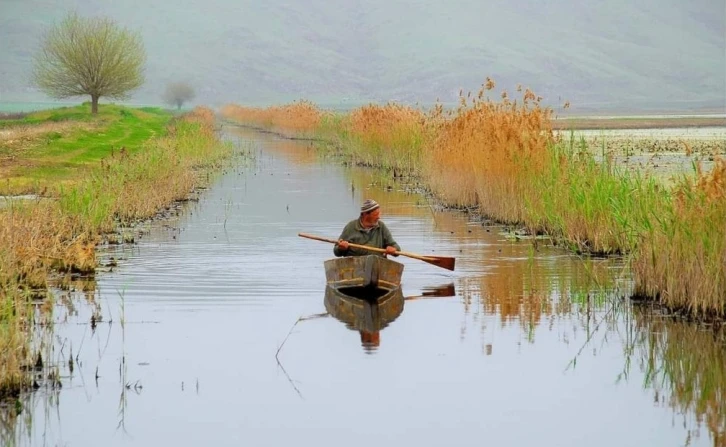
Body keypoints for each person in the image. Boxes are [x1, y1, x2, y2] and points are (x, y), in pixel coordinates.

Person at [334, 199, 401, 257]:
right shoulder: (351, 227)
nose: (379, 217)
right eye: (376, 214)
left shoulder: (381, 227)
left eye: (379, 214)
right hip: (354, 266)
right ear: (365, 214)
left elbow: (397, 249)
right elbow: (336, 252)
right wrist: (341, 248)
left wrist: (393, 249)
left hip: (377, 266)